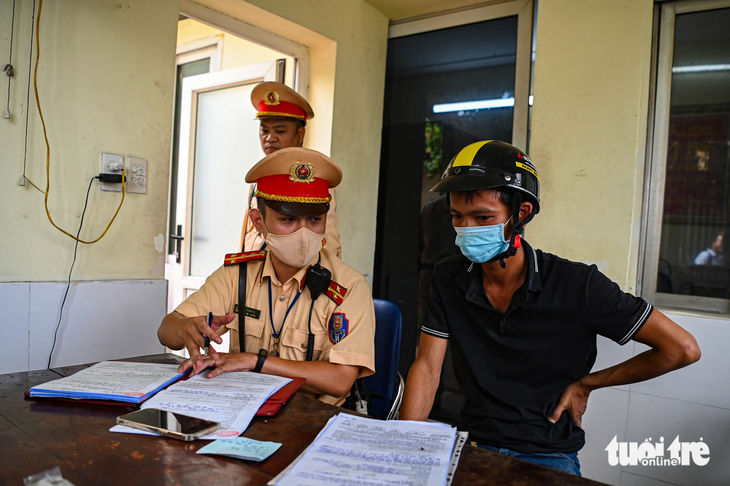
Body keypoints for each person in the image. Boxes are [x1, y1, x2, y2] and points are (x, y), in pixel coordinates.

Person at [399, 141, 701, 476]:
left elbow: (682, 349)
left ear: (522, 213)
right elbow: (427, 368)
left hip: (548, 457)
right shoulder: (448, 277)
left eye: (482, 218)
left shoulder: (578, 285)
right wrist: (401, 446)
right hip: (473, 444)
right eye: (457, 217)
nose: (467, 230)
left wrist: (588, 384)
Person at [158, 147, 375, 406]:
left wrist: (256, 362)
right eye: (288, 220)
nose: (303, 233)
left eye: (315, 219)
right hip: (243, 408)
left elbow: (340, 381)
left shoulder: (349, 286)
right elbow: (166, 331)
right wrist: (185, 328)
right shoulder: (237, 275)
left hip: (313, 420)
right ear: (258, 222)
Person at [240, 82, 341, 257]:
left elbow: (327, 243)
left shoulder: (315, 179)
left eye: (280, 131)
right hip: (255, 275)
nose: (270, 138)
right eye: (264, 130)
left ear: (300, 134)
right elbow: (249, 234)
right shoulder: (259, 177)